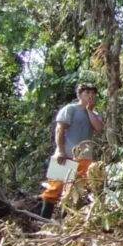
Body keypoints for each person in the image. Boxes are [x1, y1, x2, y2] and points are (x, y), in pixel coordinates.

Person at [42, 83, 104, 218]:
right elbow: (60, 130)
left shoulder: (95, 114)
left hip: (84, 158)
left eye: (93, 93)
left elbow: (99, 128)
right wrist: (60, 151)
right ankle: (42, 220)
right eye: (87, 93)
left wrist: (89, 110)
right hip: (66, 154)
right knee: (54, 189)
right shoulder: (70, 109)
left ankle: (66, 223)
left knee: (76, 191)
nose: (90, 96)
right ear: (79, 95)